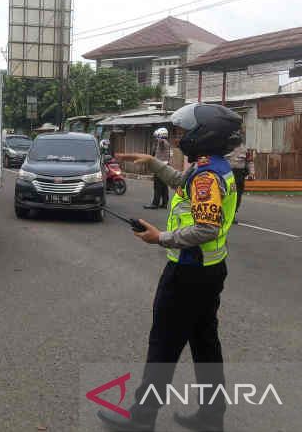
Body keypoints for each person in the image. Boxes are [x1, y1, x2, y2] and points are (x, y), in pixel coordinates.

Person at [97, 103, 242, 432]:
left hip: (189, 273)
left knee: (163, 345)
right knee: (205, 343)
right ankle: (211, 415)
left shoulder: (206, 176)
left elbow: (205, 228)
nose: (180, 136)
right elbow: (183, 182)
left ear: (205, 135)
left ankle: (141, 418)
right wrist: (153, 164)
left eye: (186, 131)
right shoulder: (213, 167)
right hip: (209, 270)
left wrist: (160, 237)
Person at [144, 128, 170, 210]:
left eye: (157, 136)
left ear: (161, 135)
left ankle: (155, 204)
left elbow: (161, 142)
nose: (156, 138)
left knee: (157, 186)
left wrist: (159, 138)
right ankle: (164, 204)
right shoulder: (166, 143)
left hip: (160, 167)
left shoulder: (163, 143)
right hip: (164, 166)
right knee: (163, 186)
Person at [225, 142, 247, 223]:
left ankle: (233, 213)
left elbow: (249, 160)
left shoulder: (243, 147)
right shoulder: (225, 144)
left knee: (238, 194)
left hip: (239, 174)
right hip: (229, 173)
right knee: (231, 193)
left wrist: (251, 172)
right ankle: (226, 213)